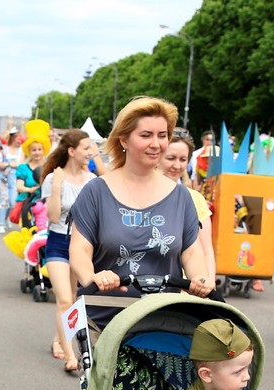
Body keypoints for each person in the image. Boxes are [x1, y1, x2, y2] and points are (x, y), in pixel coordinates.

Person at [69, 96, 213, 328]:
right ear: (124, 139)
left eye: (162, 135)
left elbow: (192, 252)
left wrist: (199, 278)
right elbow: (79, 249)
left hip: (163, 320)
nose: (156, 143)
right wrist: (92, 277)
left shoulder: (181, 197)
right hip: (105, 318)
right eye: (146, 135)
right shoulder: (96, 191)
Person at [41, 129, 98, 372]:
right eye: (86, 148)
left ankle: (58, 338)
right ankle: (70, 355)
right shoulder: (53, 179)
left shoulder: (93, 180)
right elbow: (53, 216)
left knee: (73, 300)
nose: (91, 152)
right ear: (72, 151)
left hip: (82, 246)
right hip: (57, 241)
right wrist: (57, 185)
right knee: (64, 299)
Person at [159, 132, 216, 287]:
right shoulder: (139, 195)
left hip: (187, 289)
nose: (177, 166)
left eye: (183, 159)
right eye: (170, 158)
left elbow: (206, 251)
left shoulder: (195, 199)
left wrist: (209, 284)